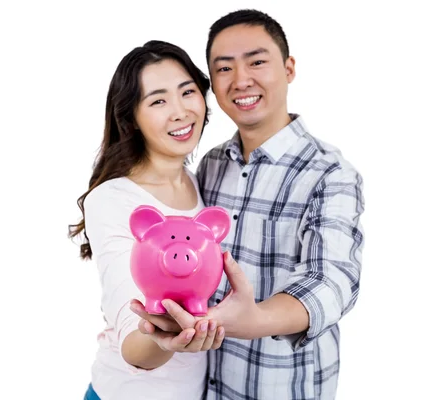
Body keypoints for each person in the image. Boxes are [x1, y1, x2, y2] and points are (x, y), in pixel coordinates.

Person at [130, 9, 365, 400]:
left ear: (288, 68)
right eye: (223, 69)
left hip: (283, 388)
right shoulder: (210, 165)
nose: (241, 80)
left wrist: (255, 319)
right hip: (205, 386)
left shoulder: (330, 172)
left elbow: (332, 281)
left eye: (257, 61)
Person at [68, 40, 226, 400]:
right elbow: (132, 340)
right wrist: (166, 334)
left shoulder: (199, 180)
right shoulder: (112, 199)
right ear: (131, 120)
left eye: (188, 92)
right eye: (158, 101)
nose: (181, 111)